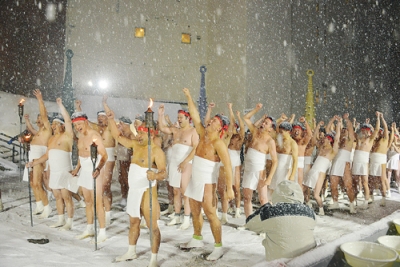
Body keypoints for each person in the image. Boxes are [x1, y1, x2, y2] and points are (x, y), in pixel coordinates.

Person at [107, 109, 166, 267]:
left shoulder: (156, 151)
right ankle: (131, 251)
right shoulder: (135, 144)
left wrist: (155, 176)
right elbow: (117, 136)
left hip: (147, 191)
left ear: (151, 134)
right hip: (134, 190)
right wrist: (111, 120)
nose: (138, 136)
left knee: (152, 226)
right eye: (138, 132)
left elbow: (163, 172)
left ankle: (153, 258)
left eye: (142, 133)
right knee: (133, 222)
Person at [180, 88, 234, 261]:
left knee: (210, 213)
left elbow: (228, 166)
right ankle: (197, 238)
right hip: (195, 178)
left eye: (215, 121)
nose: (211, 121)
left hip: (207, 182)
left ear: (221, 128)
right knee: (195, 210)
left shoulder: (219, 143)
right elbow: (195, 115)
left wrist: (229, 188)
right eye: (212, 119)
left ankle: (218, 246)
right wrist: (189, 96)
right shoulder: (202, 134)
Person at [27, 98, 75, 230]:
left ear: (62, 125)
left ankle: (69, 221)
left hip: (64, 171)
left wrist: (60, 105)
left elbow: (68, 121)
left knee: (66, 197)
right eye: (52, 124)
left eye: (56, 124)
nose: (53, 126)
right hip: (54, 171)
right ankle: (61, 219)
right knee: (57, 196)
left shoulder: (67, 136)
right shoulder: (52, 139)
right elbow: (46, 155)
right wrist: (34, 162)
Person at [246, 180, 316, 261]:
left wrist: (264, 207)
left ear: (277, 194)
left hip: (279, 262)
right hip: (307, 262)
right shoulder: (310, 212)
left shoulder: (270, 213)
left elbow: (250, 224)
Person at [75, 97, 116, 226]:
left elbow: (111, 117)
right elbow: (81, 123)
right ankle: (92, 223)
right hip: (94, 155)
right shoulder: (95, 128)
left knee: (105, 186)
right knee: (97, 191)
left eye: (102, 117)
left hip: (107, 155)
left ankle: (107, 213)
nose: (100, 119)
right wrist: (79, 108)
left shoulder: (109, 128)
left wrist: (105, 104)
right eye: (99, 117)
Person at [158, 104, 199, 230]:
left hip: (186, 163)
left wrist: (185, 161)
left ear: (188, 118)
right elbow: (163, 128)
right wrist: (160, 115)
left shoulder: (193, 131)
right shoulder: (176, 130)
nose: (179, 119)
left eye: (181, 117)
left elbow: (195, 149)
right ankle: (176, 215)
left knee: (185, 192)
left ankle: (186, 218)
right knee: (176, 190)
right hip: (174, 163)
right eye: (178, 117)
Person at [70, 112, 108, 242]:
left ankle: (102, 232)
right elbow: (81, 154)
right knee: (88, 201)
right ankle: (90, 228)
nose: (77, 127)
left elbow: (104, 155)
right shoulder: (80, 135)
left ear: (86, 122)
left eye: (79, 124)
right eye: (75, 125)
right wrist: (77, 168)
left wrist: (98, 168)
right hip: (85, 168)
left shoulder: (94, 135)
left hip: (95, 166)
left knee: (97, 202)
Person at [242, 103, 278, 218]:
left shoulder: (270, 141)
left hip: (260, 171)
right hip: (248, 169)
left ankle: (266, 222)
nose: (263, 124)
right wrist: (256, 110)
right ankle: (249, 221)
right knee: (247, 198)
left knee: (263, 199)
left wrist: (269, 178)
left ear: (270, 128)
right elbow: (245, 118)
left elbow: (275, 161)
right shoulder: (255, 132)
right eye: (263, 122)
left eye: (266, 123)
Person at [303, 117, 341, 215]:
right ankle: (305, 204)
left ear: (330, 141)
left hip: (320, 173)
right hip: (313, 170)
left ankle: (321, 209)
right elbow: (314, 137)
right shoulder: (321, 148)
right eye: (324, 138)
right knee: (303, 189)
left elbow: (337, 139)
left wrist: (339, 124)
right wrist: (318, 126)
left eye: (326, 139)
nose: (324, 140)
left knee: (316, 195)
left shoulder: (332, 151)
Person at [24, 89, 53, 218]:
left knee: (37, 183)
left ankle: (47, 207)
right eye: (38, 118)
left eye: (40, 117)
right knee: (32, 182)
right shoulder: (40, 131)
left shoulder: (47, 129)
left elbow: (44, 114)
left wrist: (40, 100)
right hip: (32, 155)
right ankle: (39, 204)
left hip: (39, 156)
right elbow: (31, 129)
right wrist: (27, 120)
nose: (39, 119)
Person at [328, 113, 356, 213]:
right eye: (343, 130)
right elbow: (328, 130)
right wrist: (336, 121)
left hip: (345, 163)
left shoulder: (350, 140)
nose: (344, 131)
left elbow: (351, 129)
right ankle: (335, 202)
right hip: (336, 162)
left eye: (345, 131)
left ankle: (352, 205)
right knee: (333, 185)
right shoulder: (338, 140)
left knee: (348, 185)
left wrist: (346, 119)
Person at [352, 112, 381, 209]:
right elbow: (352, 132)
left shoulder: (370, 139)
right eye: (363, 130)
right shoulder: (358, 138)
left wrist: (378, 118)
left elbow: (376, 129)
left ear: (369, 132)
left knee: (365, 182)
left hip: (364, 162)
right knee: (355, 182)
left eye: (366, 130)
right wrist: (355, 124)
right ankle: (354, 199)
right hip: (356, 161)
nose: (364, 132)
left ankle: (366, 201)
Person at [269, 121, 298, 194]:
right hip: (275, 167)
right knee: (272, 188)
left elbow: (295, 161)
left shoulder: (292, 143)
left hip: (284, 169)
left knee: (282, 189)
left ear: (288, 132)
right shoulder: (278, 139)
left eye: (282, 132)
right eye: (280, 132)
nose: (280, 134)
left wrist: (292, 175)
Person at [368, 113, 390, 206]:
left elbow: (385, 128)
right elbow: (374, 130)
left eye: (381, 132)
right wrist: (369, 124)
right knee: (371, 180)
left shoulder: (384, 139)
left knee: (381, 181)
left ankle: (383, 198)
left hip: (381, 162)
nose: (379, 133)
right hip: (373, 161)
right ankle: (371, 197)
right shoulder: (374, 141)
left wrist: (381, 118)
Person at [227, 109, 245, 218]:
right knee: (227, 186)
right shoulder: (227, 136)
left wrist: (238, 116)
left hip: (236, 162)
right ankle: (230, 204)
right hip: (227, 162)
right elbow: (231, 122)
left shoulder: (239, 137)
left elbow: (242, 128)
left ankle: (238, 208)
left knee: (236, 187)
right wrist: (230, 109)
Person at [115, 116, 135, 208]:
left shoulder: (131, 135)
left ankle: (130, 200)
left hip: (127, 160)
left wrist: (129, 162)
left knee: (127, 180)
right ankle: (124, 197)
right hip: (121, 159)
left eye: (121, 123)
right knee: (121, 179)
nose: (119, 125)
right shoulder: (121, 134)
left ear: (126, 125)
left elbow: (132, 150)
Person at [291, 117, 313, 188]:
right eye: (294, 129)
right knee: (290, 182)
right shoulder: (290, 140)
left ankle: (299, 197)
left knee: (299, 183)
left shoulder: (303, 141)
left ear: (301, 131)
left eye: (298, 130)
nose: (296, 131)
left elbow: (310, 135)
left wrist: (305, 122)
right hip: (290, 161)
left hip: (299, 163)